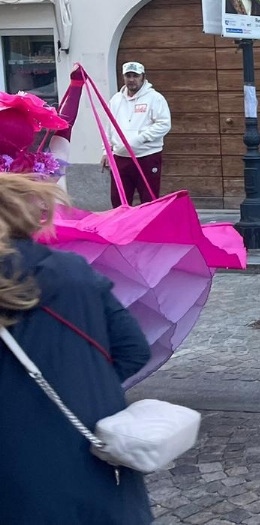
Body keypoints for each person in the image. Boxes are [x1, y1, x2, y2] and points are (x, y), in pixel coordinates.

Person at [0, 173, 153, 524]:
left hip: (13, 464)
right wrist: (82, 383)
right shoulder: (74, 269)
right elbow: (134, 350)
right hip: (92, 452)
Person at [101, 62, 171, 208]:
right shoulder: (116, 100)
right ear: (123, 77)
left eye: (135, 76)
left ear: (143, 77)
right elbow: (109, 127)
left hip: (147, 156)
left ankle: (148, 229)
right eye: (128, 76)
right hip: (121, 157)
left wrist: (139, 139)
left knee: (148, 199)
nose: (131, 79)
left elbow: (164, 124)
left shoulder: (155, 98)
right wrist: (105, 151)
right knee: (119, 200)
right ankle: (122, 230)